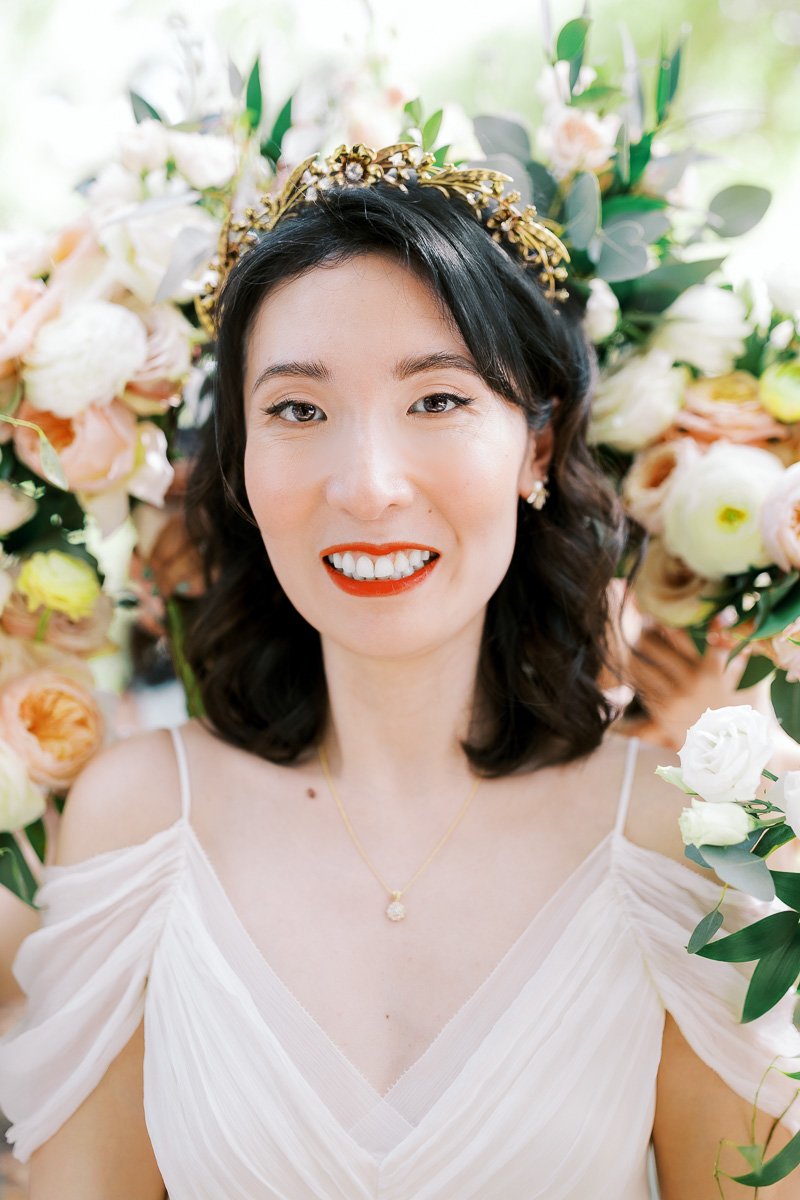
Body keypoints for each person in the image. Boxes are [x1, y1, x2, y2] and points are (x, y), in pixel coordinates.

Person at [0, 144, 798, 1200]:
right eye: (296, 409)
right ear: (237, 464)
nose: (367, 487)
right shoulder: (141, 820)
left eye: (435, 401)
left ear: (534, 447)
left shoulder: (672, 842)